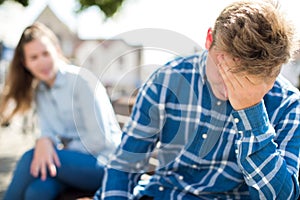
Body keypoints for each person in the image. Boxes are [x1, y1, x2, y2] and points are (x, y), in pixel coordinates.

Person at [96, 0, 300, 199]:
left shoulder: (287, 103)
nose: (232, 93)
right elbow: (125, 165)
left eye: (248, 84)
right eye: (226, 75)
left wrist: (252, 112)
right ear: (209, 40)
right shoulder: (168, 79)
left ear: (275, 71)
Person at [0, 22, 121, 200]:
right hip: (68, 167)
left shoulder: (82, 81)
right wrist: (45, 140)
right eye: (34, 57)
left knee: (30, 158)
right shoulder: (39, 91)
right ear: (25, 63)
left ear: (56, 50)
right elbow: (48, 130)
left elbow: (98, 141)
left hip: (105, 165)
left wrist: (53, 147)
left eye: (45, 53)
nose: (42, 62)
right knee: (37, 191)